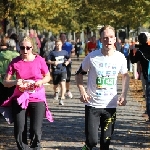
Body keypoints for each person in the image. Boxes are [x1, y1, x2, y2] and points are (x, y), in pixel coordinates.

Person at [75, 25, 130, 150]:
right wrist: (82, 91)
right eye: (105, 38)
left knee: (105, 142)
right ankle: (87, 146)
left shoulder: (120, 57)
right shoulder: (92, 57)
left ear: (115, 39)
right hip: (92, 104)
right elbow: (79, 74)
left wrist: (124, 95)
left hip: (110, 106)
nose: (108, 40)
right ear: (101, 40)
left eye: (111, 37)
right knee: (92, 141)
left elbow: (125, 76)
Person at [2, 36, 53, 150]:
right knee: (20, 129)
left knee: (36, 129)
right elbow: (5, 82)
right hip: (20, 97)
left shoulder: (39, 60)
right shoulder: (15, 62)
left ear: (32, 48)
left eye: (28, 48)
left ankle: (35, 147)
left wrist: (41, 81)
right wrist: (15, 81)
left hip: (37, 97)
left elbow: (48, 76)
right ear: (18, 48)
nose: (25, 51)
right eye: (22, 48)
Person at [130, 33, 150, 122]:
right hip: (147, 74)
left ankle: (148, 111)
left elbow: (133, 60)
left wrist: (131, 51)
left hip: (146, 75)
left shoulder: (139, 51)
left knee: (147, 94)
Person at [47, 40, 70, 105]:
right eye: (57, 44)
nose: (58, 46)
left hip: (63, 70)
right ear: (55, 45)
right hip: (55, 71)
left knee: (63, 84)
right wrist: (53, 62)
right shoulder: (52, 53)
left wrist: (67, 62)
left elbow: (69, 58)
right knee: (55, 85)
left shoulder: (65, 52)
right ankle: (56, 92)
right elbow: (48, 60)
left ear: (62, 44)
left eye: (59, 44)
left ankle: (62, 98)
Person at [0, 37, 19, 106]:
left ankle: (2, 113)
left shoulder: (1, 54)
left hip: (2, 79)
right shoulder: (17, 56)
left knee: (2, 97)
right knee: (13, 97)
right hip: (13, 79)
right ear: (14, 46)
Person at [60, 33, 74, 98]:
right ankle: (61, 91)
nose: (63, 38)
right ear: (60, 38)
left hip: (68, 63)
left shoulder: (69, 45)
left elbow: (72, 52)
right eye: (62, 37)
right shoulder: (58, 45)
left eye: (64, 37)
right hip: (60, 63)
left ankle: (67, 90)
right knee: (60, 78)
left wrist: (69, 59)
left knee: (68, 77)